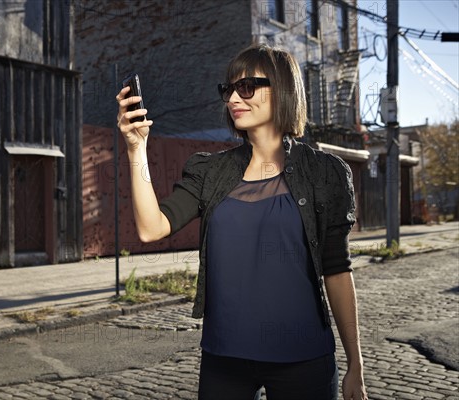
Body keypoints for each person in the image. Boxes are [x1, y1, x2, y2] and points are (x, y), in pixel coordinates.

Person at [116, 44, 368, 400]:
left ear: (282, 89)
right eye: (228, 89)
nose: (233, 97)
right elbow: (150, 227)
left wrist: (355, 364)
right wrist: (136, 149)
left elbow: (337, 270)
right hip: (224, 357)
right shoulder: (210, 170)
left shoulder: (324, 173)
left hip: (304, 357)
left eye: (247, 87)